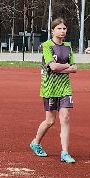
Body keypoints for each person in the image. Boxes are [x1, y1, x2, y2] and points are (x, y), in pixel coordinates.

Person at [30, 18, 78, 163]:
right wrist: (65, 67)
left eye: (64, 29)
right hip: (49, 87)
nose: (62, 31)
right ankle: (35, 142)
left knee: (65, 117)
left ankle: (65, 152)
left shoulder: (68, 46)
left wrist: (60, 67)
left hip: (64, 87)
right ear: (53, 30)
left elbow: (74, 68)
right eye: (59, 29)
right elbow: (53, 67)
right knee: (50, 121)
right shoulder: (47, 46)